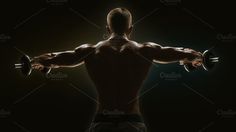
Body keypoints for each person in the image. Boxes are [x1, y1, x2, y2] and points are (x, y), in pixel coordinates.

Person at [31, 8, 203, 132]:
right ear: (130, 29)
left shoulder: (90, 51)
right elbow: (181, 53)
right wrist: (197, 57)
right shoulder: (145, 50)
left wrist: (36, 61)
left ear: (107, 29)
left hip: (102, 122)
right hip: (132, 123)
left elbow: (54, 58)